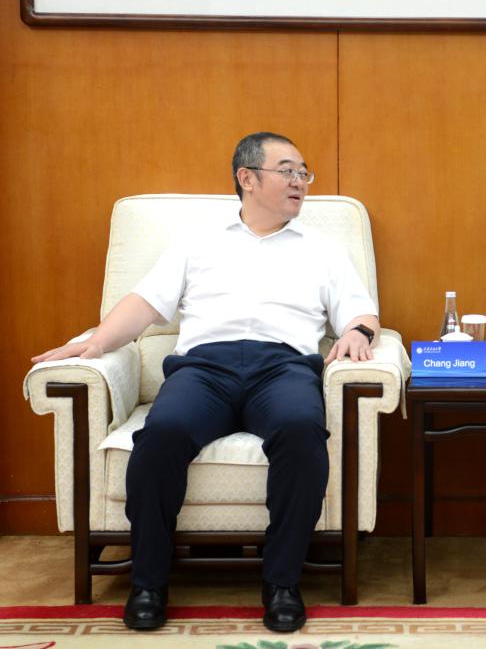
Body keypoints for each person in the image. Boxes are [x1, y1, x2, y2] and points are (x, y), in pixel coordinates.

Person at [31, 132, 380, 633]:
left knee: (302, 431)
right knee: (161, 434)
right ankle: (148, 584)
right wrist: (93, 343)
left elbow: (361, 312)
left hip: (282, 369)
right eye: (288, 170)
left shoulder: (321, 249)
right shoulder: (197, 240)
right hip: (204, 370)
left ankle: (282, 583)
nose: (301, 182)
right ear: (247, 178)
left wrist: (358, 333)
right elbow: (145, 304)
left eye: (304, 172)